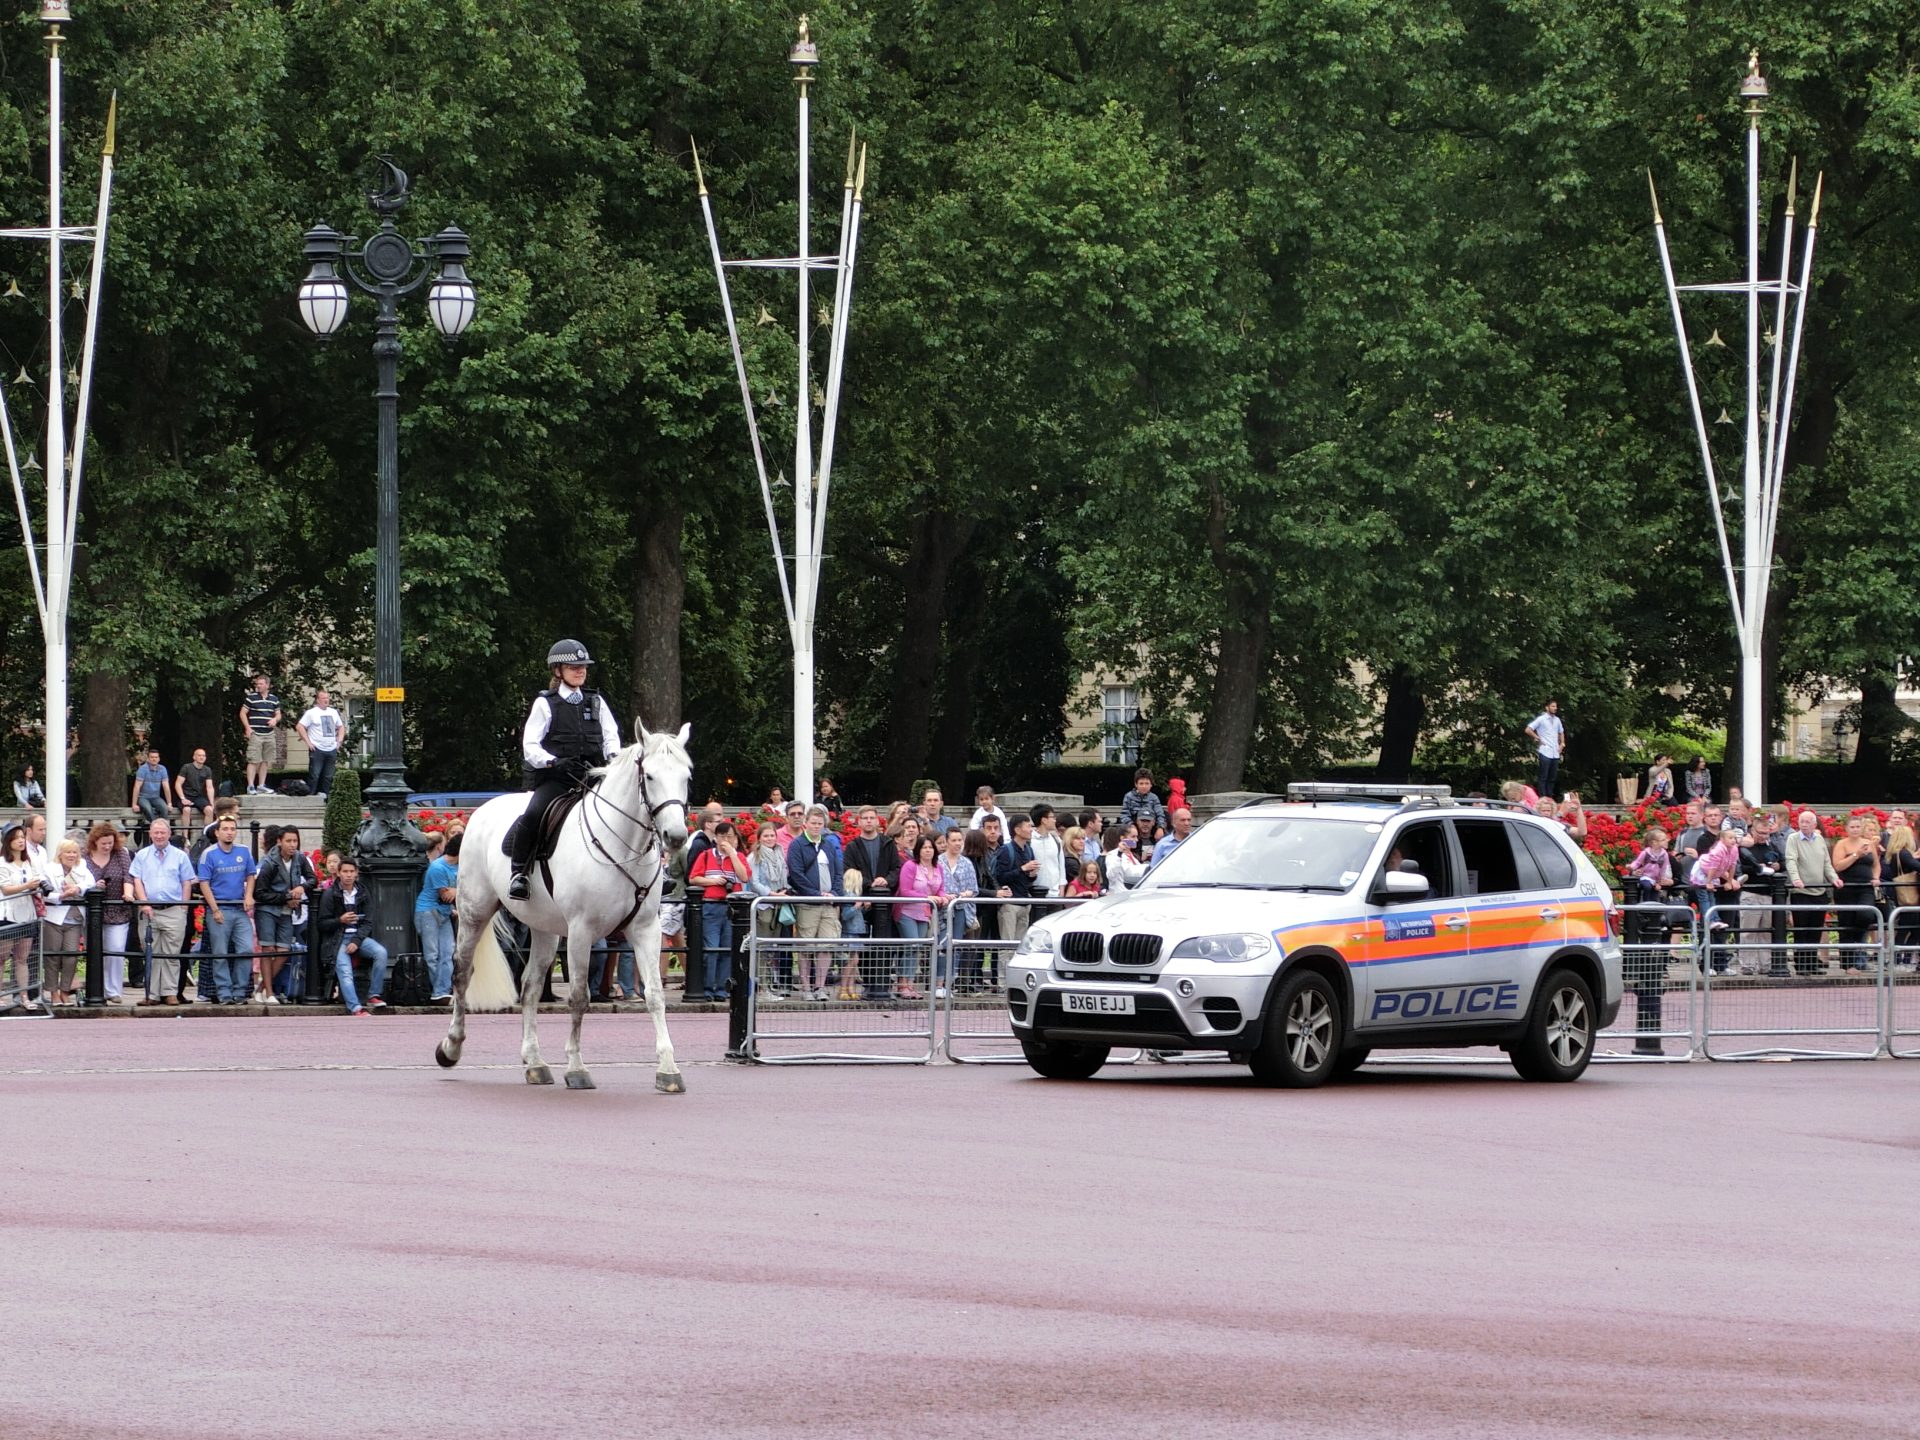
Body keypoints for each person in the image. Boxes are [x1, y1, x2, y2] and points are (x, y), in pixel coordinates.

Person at [510, 639, 623, 901]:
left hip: (593, 775)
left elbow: (611, 737)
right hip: (558, 778)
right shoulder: (545, 703)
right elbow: (530, 746)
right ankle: (519, 874)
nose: (580, 670)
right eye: (574, 666)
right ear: (558, 670)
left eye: (583, 665)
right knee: (534, 814)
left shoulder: (596, 701)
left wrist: (614, 760)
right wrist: (553, 761)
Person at [130, 817, 196, 1006]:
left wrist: (184, 907)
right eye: (156, 832)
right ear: (150, 834)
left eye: (162, 832)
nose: (159, 836)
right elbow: (137, 881)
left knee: (171, 954)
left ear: (169, 834)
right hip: (149, 910)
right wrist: (144, 903)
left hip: (173, 909)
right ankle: (151, 994)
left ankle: (170, 993)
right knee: (151, 953)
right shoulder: (142, 855)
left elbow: (186, 882)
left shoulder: (180, 856)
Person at [785, 805, 844, 1002]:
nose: (816, 827)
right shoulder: (797, 845)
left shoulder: (828, 844)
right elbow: (796, 874)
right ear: (805, 824)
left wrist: (835, 893)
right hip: (809, 904)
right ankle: (806, 987)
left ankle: (820, 986)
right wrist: (816, 894)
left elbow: (837, 871)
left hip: (828, 904)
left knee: (826, 945)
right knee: (806, 946)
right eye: (813, 823)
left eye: (820, 824)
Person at [196, 814, 257, 1004]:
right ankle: (224, 992)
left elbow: (251, 875)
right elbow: (204, 883)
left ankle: (239, 991)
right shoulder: (209, 854)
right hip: (220, 907)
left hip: (239, 909)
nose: (229, 833)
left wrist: (248, 895)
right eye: (225, 829)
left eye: (232, 829)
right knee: (220, 952)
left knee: (246, 949)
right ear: (217, 832)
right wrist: (214, 909)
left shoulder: (244, 851)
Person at [256, 825, 317, 1005]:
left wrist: (302, 887)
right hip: (268, 910)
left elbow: (313, 879)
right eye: (288, 841)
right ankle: (269, 992)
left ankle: (262, 987)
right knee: (268, 949)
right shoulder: (269, 863)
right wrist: (286, 897)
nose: (292, 845)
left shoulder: (300, 858)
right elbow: (260, 893)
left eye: (295, 841)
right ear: (279, 842)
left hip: (287, 912)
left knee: (284, 950)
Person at [688, 820, 748, 1002]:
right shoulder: (706, 855)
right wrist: (713, 881)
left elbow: (744, 876)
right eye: (722, 836)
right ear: (715, 838)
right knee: (711, 948)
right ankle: (707, 987)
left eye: (730, 836)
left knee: (728, 949)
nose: (726, 840)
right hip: (712, 905)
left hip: (732, 908)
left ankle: (722, 988)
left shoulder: (739, 856)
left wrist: (732, 854)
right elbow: (693, 878)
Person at [320, 858, 387, 1014]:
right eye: (345, 872)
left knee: (381, 953)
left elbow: (368, 921)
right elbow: (322, 923)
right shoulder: (330, 894)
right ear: (338, 873)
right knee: (345, 971)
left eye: (351, 872)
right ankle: (355, 1007)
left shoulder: (363, 892)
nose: (348, 875)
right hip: (337, 940)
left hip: (358, 937)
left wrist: (357, 941)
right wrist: (340, 920)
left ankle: (374, 994)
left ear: (356, 873)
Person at [83, 823, 135, 1004]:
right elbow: (79, 877)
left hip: (117, 909)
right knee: (96, 949)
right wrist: (93, 886)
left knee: (116, 948)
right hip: (92, 910)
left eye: (110, 843)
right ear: (95, 842)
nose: (107, 847)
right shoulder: (85, 856)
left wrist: (127, 893)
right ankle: (97, 987)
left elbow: (128, 876)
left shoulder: (121, 854)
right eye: (103, 843)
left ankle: (113, 990)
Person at [1782, 809, 1837, 977]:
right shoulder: (1793, 839)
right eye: (1801, 821)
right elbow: (1791, 860)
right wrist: (1796, 879)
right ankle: (1801, 964)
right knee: (1801, 929)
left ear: (1814, 824)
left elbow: (1826, 862)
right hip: (1802, 891)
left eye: (1807, 822)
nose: (1804, 825)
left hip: (1819, 891)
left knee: (1815, 928)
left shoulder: (1819, 839)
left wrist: (1834, 878)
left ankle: (1812, 962)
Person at [0, 821, 47, 1013]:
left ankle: (24, 995)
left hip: (27, 914)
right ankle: (1, 995)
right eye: (16, 838)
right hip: (8, 913)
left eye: (22, 837)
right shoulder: (2, 862)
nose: (20, 841)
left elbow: (39, 878)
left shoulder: (30, 861)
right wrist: (27, 887)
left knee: (22, 958)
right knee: (2, 957)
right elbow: (6, 888)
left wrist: (39, 885)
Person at [40, 838, 92, 1006]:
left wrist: (77, 888)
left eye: (74, 852)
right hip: (54, 918)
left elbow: (90, 882)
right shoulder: (49, 868)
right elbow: (43, 891)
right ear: (60, 854)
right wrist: (60, 896)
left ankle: (65, 991)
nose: (71, 855)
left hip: (74, 919)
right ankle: (53, 993)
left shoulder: (82, 867)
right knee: (53, 957)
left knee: (71, 957)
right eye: (68, 852)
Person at [895, 835, 942, 1001]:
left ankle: (911, 984)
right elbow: (905, 890)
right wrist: (927, 897)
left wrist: (944, 897)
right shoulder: (910, 866)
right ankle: (902, 984)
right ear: (918, 850)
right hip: (907, 911)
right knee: (911, 944)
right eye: (924, 847)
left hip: (924, 913)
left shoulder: (938, 867)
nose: (928, 850)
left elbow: (940, 889)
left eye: (930, 847)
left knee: (918, 948)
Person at [748, 821, 792, 997]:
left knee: (770, 949)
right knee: (761, 947)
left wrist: (783, 891)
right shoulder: (755, 857)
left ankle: (766, 985)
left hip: (777, 905)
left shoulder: (779, 854)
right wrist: (772, 894)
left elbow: (784, 876)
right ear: (759, 838)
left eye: (772, 835)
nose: (769, 838)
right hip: (763, 904)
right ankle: (761, 988)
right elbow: (754, 882)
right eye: (765, 835)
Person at [1830, 817, 1879, 973]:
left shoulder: (1869, 843)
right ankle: (1848, 964)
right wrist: (1856, 855)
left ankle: (1858, 942)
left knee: (1865, 914)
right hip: (1847, 888)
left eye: (1858, 826)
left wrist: (1876, 877)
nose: (1855, 829)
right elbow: (1838, 865)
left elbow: (1876, 865)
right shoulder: (1841, 844)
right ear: (1847, 828)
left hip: (1865, 887)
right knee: (1846, 923)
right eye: (1852, 826)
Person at [416, 831, 460, 1002]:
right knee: (432, 954)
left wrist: (456, 891)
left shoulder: (454, 866)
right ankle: (438, 990)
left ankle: (441, 990)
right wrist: (460, 890)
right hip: (428, 912)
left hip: (443, 912)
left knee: (448, 952)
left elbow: (453, 894)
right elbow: (446, 895)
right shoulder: (437, 868)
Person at [936, 825, 978, 998]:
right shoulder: (938, 861)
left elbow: (973, 889)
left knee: (956, 945)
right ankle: (938, 983)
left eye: (960, 840)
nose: (957, 844)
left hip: (960, 908)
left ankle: (950, 982)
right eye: (953, 840)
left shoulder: (966, 863)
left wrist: (961, 895)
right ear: (946, 842)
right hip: (941, 908)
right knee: (941, 944)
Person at [990, 813, 1040, 944]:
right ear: (1017, 830)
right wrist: (1023, 869)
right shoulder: (1006, 850)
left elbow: (1027, 879)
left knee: (1021, 946)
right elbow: (1001, 877)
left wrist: (1032, 875)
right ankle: (1004, 966)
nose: (1031, 830)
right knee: (1007, 946)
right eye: (1028, 826)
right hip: (1010, 904)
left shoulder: (1028, 849)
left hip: (1025, 902)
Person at [296, 689, 346, 798]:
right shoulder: (311, 713)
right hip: (317, 748)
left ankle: (325, 797)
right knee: (315, 775)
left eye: (327, 698)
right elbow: (300, 726)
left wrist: (339, 742)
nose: (326, 700)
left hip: (331, 748)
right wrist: (308, 742)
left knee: (328, 776)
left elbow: (341, 727)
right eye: (323, 698)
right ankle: (311, 797)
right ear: (318, 700)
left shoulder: (333, 712)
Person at [240, 673, 282, 795]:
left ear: (267, 685)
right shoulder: (251, 697)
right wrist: (247, 728)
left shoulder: (274, 699)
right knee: (253, 759)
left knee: (265, 760)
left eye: (261, 684)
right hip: (256, 733)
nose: (258, 686)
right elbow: (242, 713)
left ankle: (261, 785)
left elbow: (278, 714)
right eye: (257, 684)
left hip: (269, 733)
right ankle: (250, 785)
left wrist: (275, 719)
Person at [1525, 699, 1565, 798]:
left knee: (1552, 777)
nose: (1555, 708)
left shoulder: (1557, 720)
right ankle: (1542, 797)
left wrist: (1562, 743)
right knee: (1543, 776)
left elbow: (1561, 732)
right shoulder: (1541, 719)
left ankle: (1549, 797)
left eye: (1556, 706)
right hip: (1545, 750)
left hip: (1555, 751)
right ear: (1547, 707)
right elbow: (1528, 729)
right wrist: (1536, 737)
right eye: (1552, 706)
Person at [1030, 804, 1066, 899]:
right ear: (1044, 820)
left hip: (1055, 894)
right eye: (1052, 817)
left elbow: (1061, 866)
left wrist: (1061, 889)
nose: (1055, 820)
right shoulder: (1029, 841)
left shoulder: (1056, 840)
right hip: (1035, 893)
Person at [174, 746, 215, 825]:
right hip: (185, 795)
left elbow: (209, 787)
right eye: (199, 755)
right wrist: (183, 798)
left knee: (209, 810)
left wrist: (211, 803)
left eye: (203, 756)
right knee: (186, 810)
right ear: (194, 757)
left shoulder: (207, 770)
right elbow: (178, 784)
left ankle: (206, 834)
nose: (202, 757)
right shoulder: (186, 767)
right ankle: (185, 836)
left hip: (198, 796)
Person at [130, 748, 171, 822]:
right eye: (152, 757)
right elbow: (137, 787)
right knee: (148, 809)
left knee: (164, 809)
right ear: (148, 759)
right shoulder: (142, 769)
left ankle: (162, 827)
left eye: (156, 757)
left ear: (159, 759)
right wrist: (134, 804)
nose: (154, 759)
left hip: (156, 797)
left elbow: (166, 787)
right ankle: (154, 826)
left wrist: (169, 803)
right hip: (143, 797)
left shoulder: (162, 769)